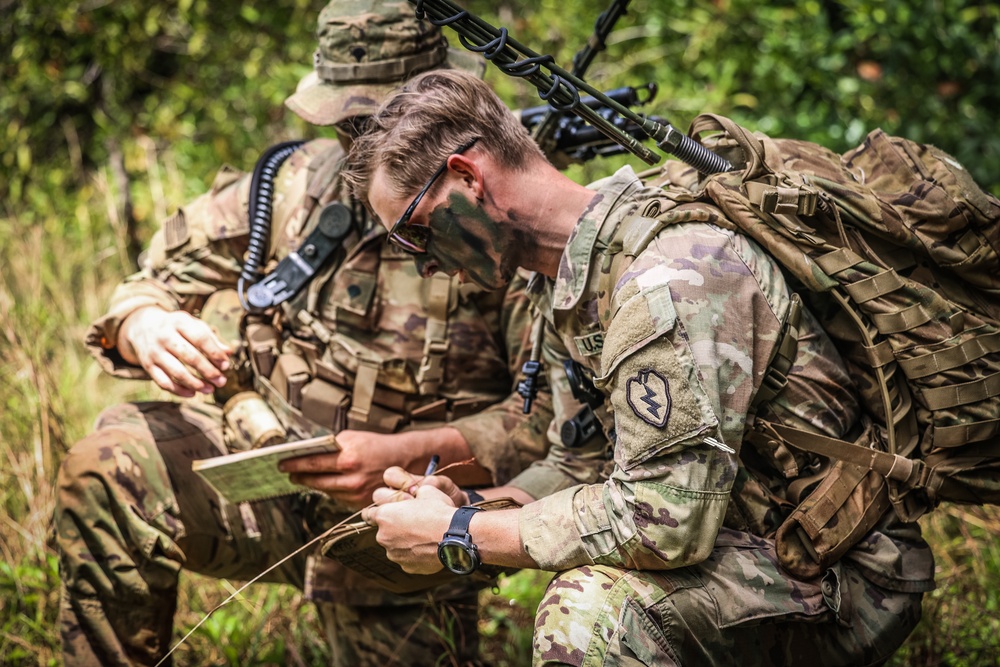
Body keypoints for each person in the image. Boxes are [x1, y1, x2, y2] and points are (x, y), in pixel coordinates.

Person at [54, 3, 606, 665]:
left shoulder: (496, 228)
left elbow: (547, 425)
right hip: (262, 477)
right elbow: (155, 276)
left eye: (378, 122)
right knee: (109, 468)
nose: (362, 144)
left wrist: (405, 452)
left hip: (399, 515)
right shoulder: (292, 185)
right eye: (347, 125)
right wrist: (144, 323)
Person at [342, 68, 938, 666]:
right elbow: (575, 464)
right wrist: (469, 506)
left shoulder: (669, 278)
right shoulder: (567, 286)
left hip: (837, 565)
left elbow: (665, 523)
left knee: (591, 612)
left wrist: (459, 537)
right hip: (743, 542)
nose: (422, 265)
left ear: (467, 177)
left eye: (415, 235)